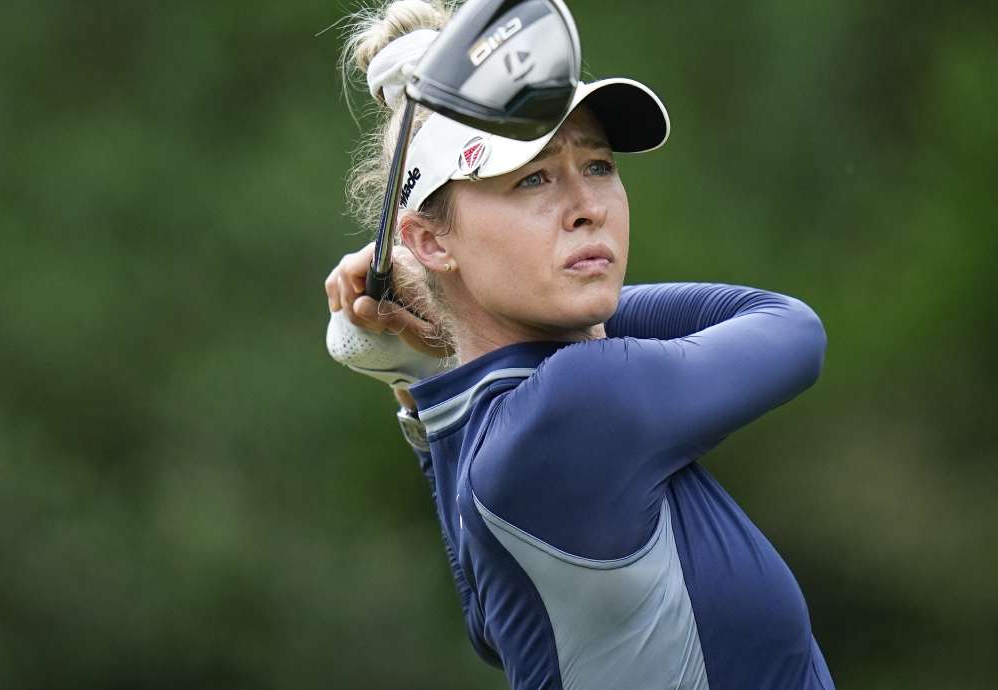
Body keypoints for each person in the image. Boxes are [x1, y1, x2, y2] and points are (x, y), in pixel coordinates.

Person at [323, 2, 835, 688]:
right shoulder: (577, 403)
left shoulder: (492, 436)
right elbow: (791, 328)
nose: (588, 206)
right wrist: (436, 352)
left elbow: (487, 626)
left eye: (596, 165)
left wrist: (423, 376)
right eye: (532, 177)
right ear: (430, 243)